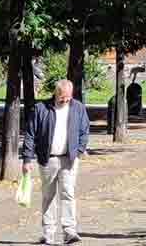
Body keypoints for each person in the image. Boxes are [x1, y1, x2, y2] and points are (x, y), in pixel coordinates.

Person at [21, 79, 90, 245]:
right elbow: (30, 134)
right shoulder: (41, 108)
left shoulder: (78, 108)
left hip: (69, 159)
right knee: (48, 196)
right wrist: (27, 158)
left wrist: (79, 150)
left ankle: (69, 231)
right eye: (62, 97)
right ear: (56, 93)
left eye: (68, 97)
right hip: (48, 159)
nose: (65, 100)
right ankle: (48, 233)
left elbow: (84, 131)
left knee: (68, 194)